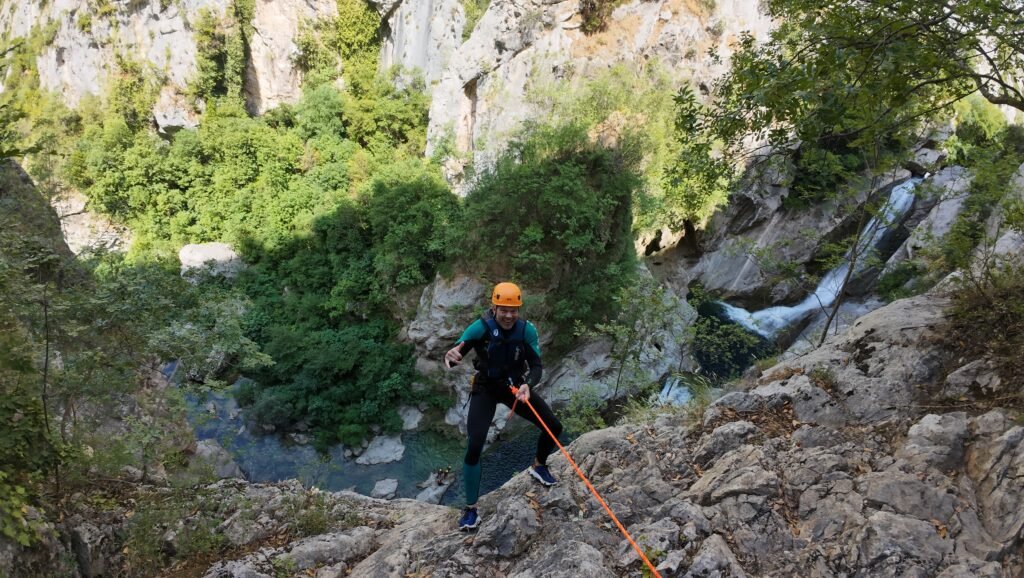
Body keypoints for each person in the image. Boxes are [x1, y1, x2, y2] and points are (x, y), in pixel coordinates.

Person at [443, 281, 563, 531]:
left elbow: (537, 365)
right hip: (485, 388)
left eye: (514, 310)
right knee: (475, 445)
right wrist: (450, 356)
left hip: (514, 388)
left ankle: (539, 466)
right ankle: (471, 509)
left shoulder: (526, 331)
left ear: (518, 310)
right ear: (494, 307)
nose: (509, 315)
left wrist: (528, 384)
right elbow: (457, 353)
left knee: (553, 425)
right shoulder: (480, 328)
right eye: (504, 310)